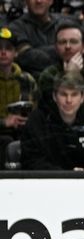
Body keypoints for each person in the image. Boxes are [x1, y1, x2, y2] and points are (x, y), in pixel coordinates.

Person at [20, 70, 84, 170]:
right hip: (49, 182)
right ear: (54, 96)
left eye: (74, 94)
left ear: (82, 97)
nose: (69, 100)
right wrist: (64, 176)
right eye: (63, 94)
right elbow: (30, 160)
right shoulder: (37, 120)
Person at [37, 20, 84, 112]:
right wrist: (69, 76)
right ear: (56, 48)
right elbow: (59, 110)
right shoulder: (48, 76)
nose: (68, 46)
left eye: (73, 42)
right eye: (62, 42)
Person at [0, 26, 38, 165]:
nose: (3, 52)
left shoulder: (27, 80)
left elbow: (37, 111)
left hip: (23, 133)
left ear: (15, 53)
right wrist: (4, 122)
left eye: (8, 48)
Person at [8, 0, 70, 77]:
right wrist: (62, 54)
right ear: (26, 1)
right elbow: (27, 57)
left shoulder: (64, 23)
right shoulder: (16, 27)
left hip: (63, 81)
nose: (38, 1)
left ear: (51, 1)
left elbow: (77, 51)